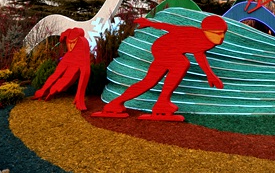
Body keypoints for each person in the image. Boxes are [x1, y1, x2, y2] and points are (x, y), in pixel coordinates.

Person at [92, 15, 227, 120]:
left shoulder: (208, 42)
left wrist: (210, 74)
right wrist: (149, 23)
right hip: (162, 48)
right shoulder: (192, 32)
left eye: (223, 33)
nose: (221, 37)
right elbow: (170, 27)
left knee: (149, 81)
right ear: (206, 31)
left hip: (170, 52)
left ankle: (115, 103)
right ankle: (162, 102)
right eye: (218, 33)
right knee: (182, 63)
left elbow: (199, 55)